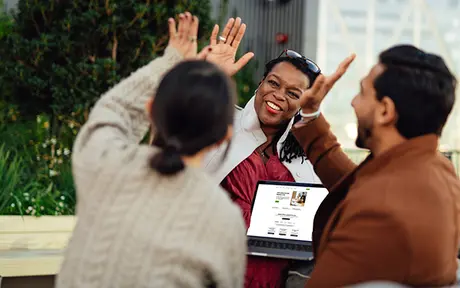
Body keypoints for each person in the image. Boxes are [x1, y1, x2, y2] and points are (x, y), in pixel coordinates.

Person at [56, 12, 247, 288]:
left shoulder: (104, 163)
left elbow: (115, 108)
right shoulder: (223, 220)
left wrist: (173, 60)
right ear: (224, 136)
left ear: (150, 111)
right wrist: (207, 83)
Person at [195, 17, 355, 287]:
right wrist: (207, 80)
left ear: (305, 102)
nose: (278, 95)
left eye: (293, 93)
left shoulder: (310, 156)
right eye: (273, 83)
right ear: (261, 83)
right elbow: (172, 125)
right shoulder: (219, 124)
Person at [289, 45, 460, 287]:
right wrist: (310, 114)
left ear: (385, 111)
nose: (353, 103)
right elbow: (352, 181)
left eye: (362, 93)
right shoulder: (436, 170)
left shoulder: (380, 211)